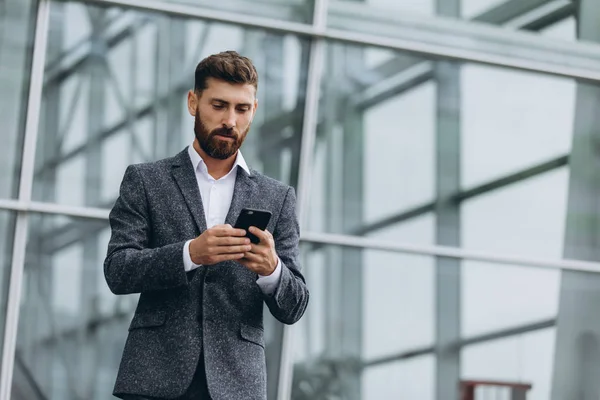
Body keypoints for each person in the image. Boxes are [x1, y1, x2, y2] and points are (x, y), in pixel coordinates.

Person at [104, 50, 309, 400]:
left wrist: (272, 271)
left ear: (253, 111)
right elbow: (118, 270)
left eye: (241, 109)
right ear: (193, 102)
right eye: (219, 105)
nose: (230, 119)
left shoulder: (277, 197)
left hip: (237, 385)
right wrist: (190, 254)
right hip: (155, 379)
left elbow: (295, 305)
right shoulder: (146, 180)